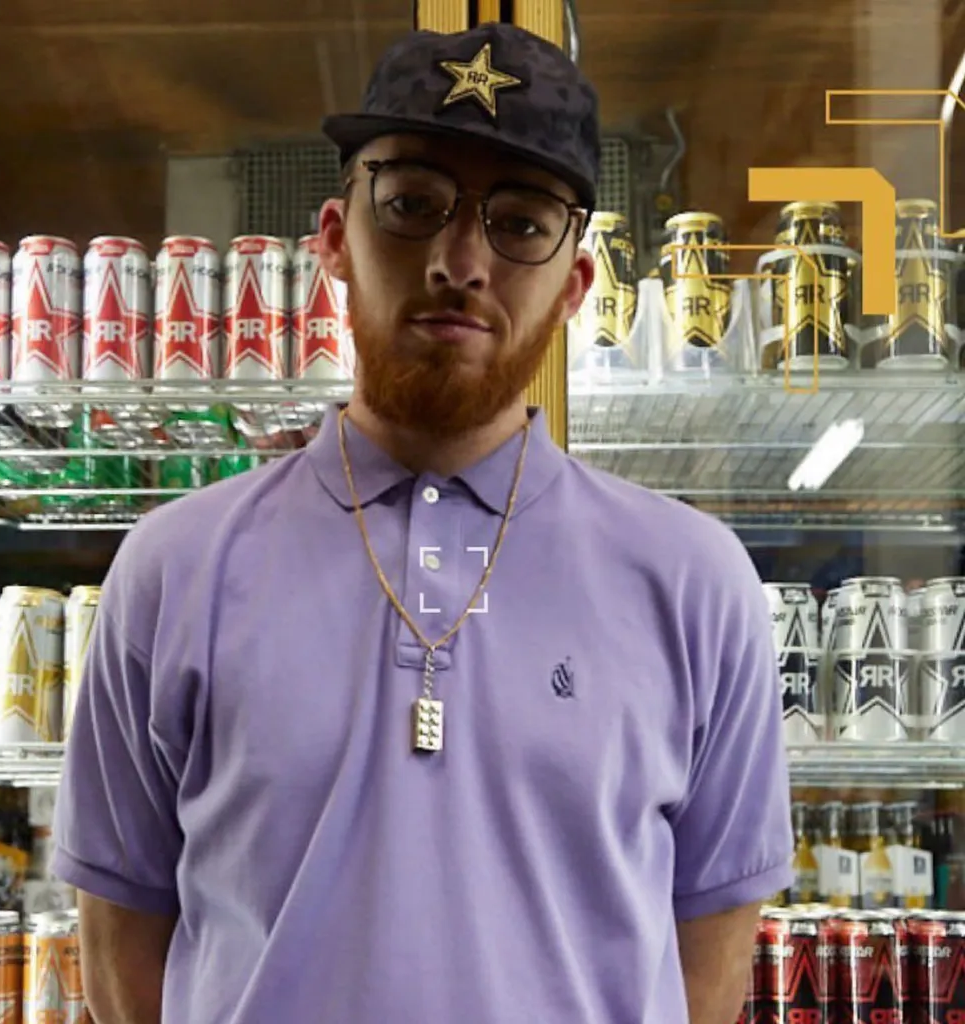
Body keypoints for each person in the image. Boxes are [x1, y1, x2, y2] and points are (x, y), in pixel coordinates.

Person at [52, 20, 793, 1024]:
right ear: (332, 239)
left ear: (576, 282)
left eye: (521, 223)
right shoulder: (172, 568)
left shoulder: (695, 582)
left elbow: (708, 959)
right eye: (410, 203)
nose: (459, 260)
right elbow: (119, 950)